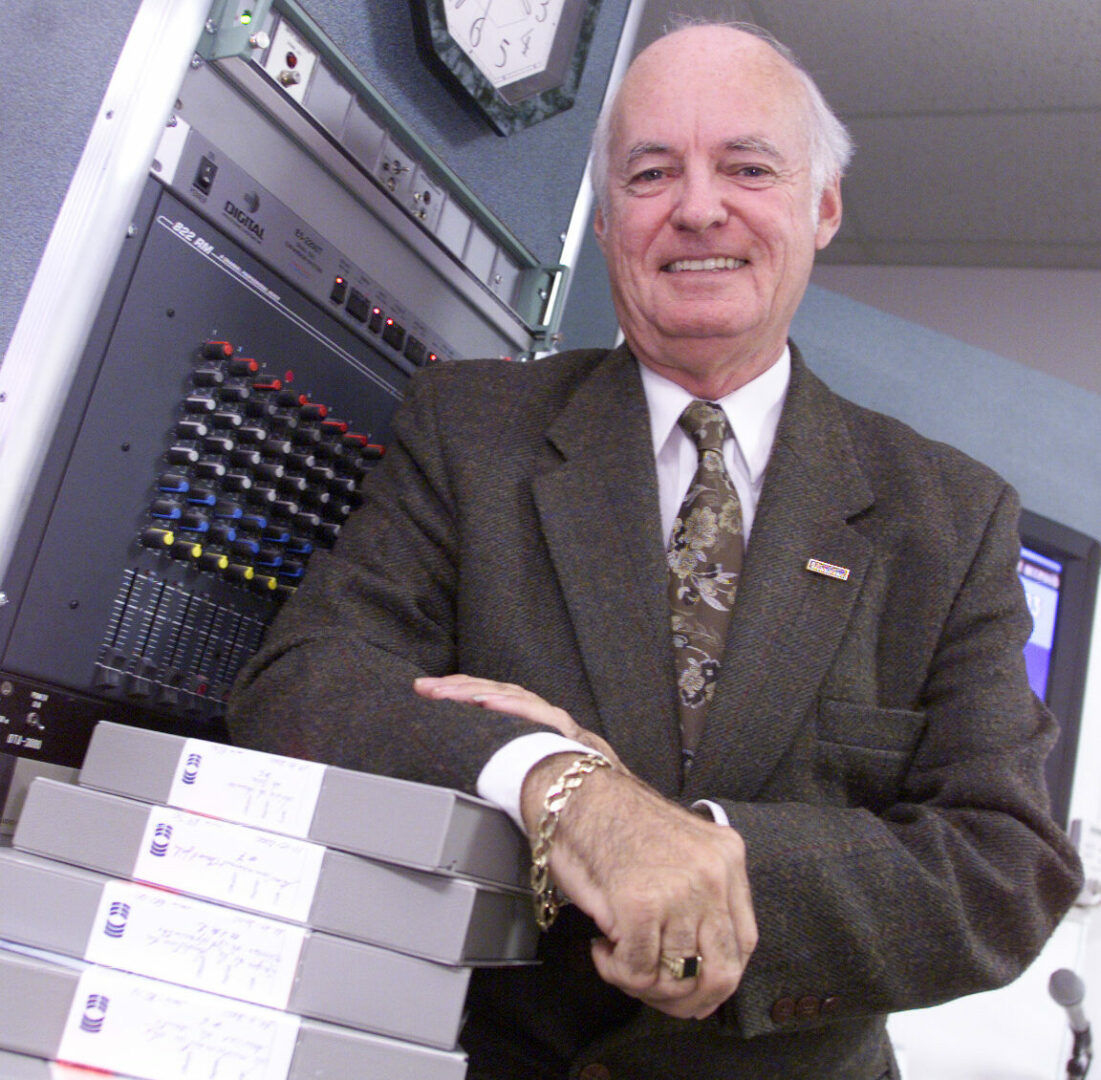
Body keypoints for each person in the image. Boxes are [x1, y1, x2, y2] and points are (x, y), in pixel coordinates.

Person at [228, 21, 1083, 1080]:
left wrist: (703, 855)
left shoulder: (950, 515)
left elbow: (1005, 869)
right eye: (649, 172)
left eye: (748, 167)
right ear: (608, 220)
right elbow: (307, 686)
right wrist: (563, 788)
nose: (697, 207)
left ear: (822, 207)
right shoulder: (471, 430)